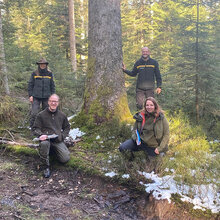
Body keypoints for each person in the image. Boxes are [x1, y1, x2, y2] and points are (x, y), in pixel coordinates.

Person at [119, 97, 169, 171]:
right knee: (122, 148)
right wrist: (135, 138)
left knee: (150, 168)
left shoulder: (161, 118)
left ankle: (160, 154)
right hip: (140, 142)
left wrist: (160, 148)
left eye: (151, 105)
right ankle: (132, 161)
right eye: (147, 105)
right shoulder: (141, 116)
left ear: (155, 106)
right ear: (145, 106)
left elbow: (166, 135)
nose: (149, 107)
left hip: (153, 146)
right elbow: (134, 129)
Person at [32, 94, 70, 178]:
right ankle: (45, 166)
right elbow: (35, 128)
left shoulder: (62, 115)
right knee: (45, 144)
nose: (53, 103)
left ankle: (52, 151)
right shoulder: (41, 115)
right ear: (48, 102)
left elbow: (67, 127)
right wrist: (41, 135)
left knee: (65, 159)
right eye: (52, 101)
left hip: (57, 140)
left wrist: (62, 136)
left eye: (55, 101)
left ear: (58, 103)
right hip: (45, 140)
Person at [28, 58, 55, 128]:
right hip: (36, 97)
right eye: (41, 64)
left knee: (46, 113)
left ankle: (45, 127)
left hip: (47, 97)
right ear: (39, 65)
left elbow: (52, 85)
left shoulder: (49, 73)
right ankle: (32, 127)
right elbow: (30, 84)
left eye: (44, 64)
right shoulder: (34, 73)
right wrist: (30, 95)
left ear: (46, 65)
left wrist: (52, 96)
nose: (42, 65)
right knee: (34, 113)